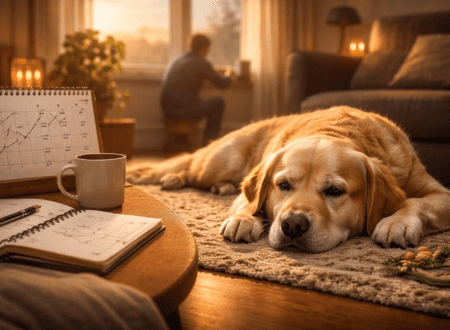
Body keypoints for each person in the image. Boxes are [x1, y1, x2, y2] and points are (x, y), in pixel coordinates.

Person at [160, 34, 232, 146]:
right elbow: (222, 84)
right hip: (184, 111)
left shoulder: (176, 60)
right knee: (218, 102)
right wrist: (229, 75)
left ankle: (181, 141)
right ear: (204, 48)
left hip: (167, 110)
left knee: (192, 100)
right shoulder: (201, 63)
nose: (208, 53)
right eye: (208, 50)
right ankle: (209, 145)